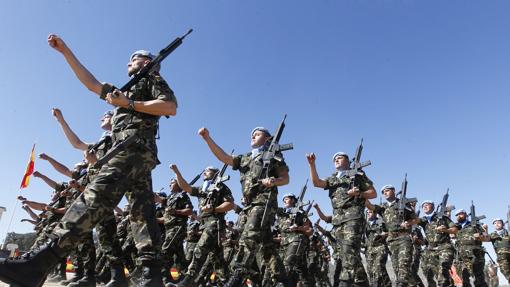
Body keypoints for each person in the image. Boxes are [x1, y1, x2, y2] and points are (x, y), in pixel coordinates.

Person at [0, 34, 177, 287]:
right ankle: (152, 276)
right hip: (136, 155)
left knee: (94, 197)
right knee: (141, 213)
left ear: (148, 62)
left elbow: (169, 106)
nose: (130, 64)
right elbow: (92, 83)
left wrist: (128, 103)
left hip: (133, 149)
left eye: (134, 59)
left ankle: (38, 264)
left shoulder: (150, 80)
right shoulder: (123, 90)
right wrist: (66, 53)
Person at [197, 126, 290, 286]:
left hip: (264, 201)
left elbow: (285, 178)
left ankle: (236, 278)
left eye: (257, 134)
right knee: (266, 245)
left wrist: (273, 181)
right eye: (252, 134)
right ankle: (282, 281)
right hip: (248, 206)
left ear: (267, 138)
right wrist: (207, 139)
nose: (253, 135)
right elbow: (224, 157)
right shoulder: (245, 158)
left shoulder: (274, 155)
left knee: (249, 238)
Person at [307, 151, 376, 287]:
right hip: (338, 222)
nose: (336, 160)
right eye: (335, 159)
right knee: (347, 255)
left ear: (347, 161)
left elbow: (373, 193)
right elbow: (317, 183)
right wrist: (312, 165)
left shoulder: (358, 174)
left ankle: (344, 283)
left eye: (340, 158)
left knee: (349, 251)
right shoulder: (333, 179)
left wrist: (360, 193)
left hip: (353, 217)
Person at [170, 164, 235, 287]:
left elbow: (230, 204)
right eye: (204, 170)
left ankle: (187, 281)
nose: (205, 172)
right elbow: (187, 187)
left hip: (214, 224)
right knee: (217, 260)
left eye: (208, 170)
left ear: (216, 173)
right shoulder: (203, 189)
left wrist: (214, 208)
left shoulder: (221, 187)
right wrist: (177, 172)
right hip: (204, 225)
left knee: (199, 250)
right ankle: (228, 282)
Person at [365, 185, 418, 287]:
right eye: (383, 192)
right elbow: (370, 206)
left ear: (394, 191)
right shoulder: (383, 207)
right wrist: (363, 195)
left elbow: (416, 219)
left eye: (387, 190)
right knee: (397, 268)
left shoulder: (403, 203)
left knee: (403, 264)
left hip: (404, 238)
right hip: (391, 240)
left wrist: (408, 223)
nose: (385, 193)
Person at [417, 200, 457, 287]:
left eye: (427, 205)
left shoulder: (443, 217)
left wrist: (445, 230)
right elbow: (412, 220)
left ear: (433, 206)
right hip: (431, 249)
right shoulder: (423, 220)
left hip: (444, 246)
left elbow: (454, 229)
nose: (424, 206)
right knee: (436, 273)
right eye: (423, 205)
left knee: (443, 268)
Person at [277, 193, 313, 286]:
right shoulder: (282, 214)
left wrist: (297, 228)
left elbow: (308, 229)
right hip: (284, 243)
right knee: (280, 268)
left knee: (287, 266)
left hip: (296, 240)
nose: (285, 201)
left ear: (293, 200)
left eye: (287, 199)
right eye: (284, 200)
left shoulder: (300, 213)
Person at [454, 209, 489, 287]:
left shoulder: (474, 224)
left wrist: (481, 235)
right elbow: (451, 235)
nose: (459, 216)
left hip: (475, 254)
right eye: (457, 215)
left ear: (466, 215)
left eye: (461, 214)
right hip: (461, 255)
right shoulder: (456, 227)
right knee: (464, 277)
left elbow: (486, 237)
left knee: (479, 278)